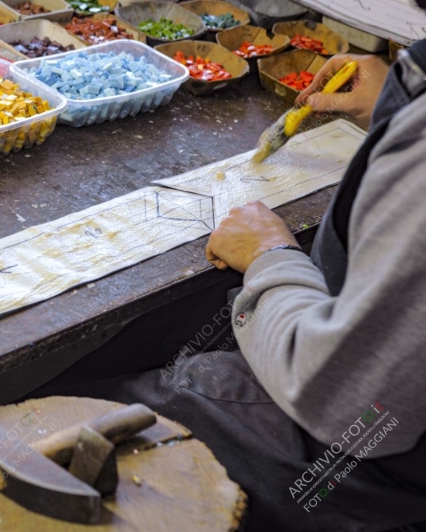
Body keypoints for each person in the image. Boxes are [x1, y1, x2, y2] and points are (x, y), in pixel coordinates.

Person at [28, 36, 426, 532]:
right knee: (161, 332)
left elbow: (353, 400)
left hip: (363, 447)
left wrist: (269, 254)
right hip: (350, 345)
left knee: (58, 427)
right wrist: (403, 95)